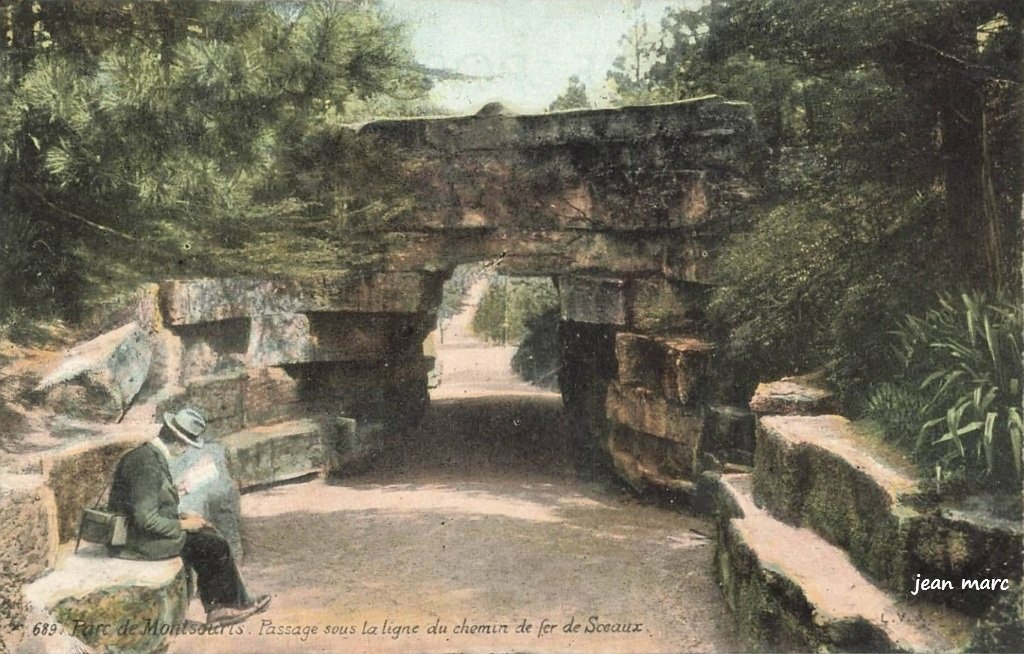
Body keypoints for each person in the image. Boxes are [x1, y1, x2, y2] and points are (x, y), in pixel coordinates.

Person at [107, 408, 270, 627]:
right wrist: (184, 524)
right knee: (214, 545)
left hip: (138, 535)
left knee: (207, 534)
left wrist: (182, 514)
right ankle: (223, 607)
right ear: (179, 442)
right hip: (137, 542)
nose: (186, 451)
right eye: (187, 445)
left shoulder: (148, 455)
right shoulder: (147, 464)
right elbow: (145, 520)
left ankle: (233, 603)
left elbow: (150, 504)